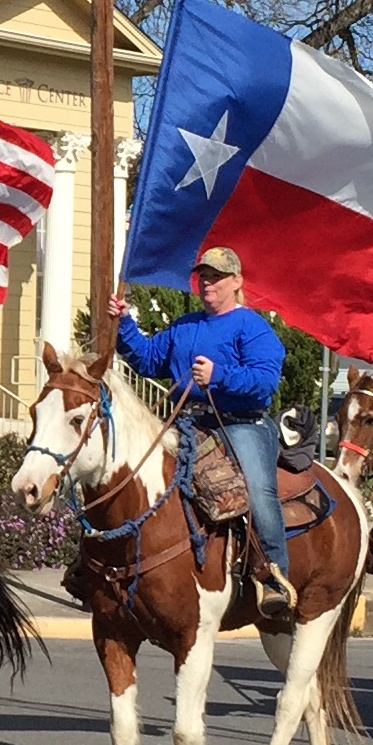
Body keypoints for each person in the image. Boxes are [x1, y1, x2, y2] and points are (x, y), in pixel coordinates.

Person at [114, 246, 295, 609]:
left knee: (259, 491)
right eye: (203, 276)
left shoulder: (252, 326)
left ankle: (275, 573)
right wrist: (123, 324)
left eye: (216, 276)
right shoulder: (186, 325)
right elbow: (149, 360)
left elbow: (265, 381)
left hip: (241, 424)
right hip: (187, 421)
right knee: (133, 469)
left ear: (237, 282)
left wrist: (219, 376)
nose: (207, 283)